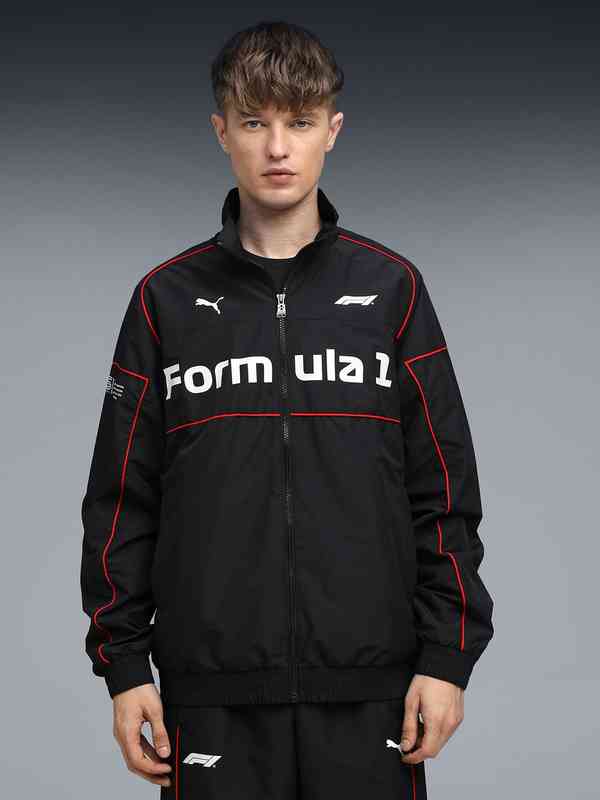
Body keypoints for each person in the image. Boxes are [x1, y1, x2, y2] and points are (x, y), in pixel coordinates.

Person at [80, 19, 494, 799]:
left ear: (331, 131)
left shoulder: (393, 292)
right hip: (211, 698)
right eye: (254, 122)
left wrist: (447, 657)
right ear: (221, 132)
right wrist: (125, 668)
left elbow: (443, 493)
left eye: (299, 122)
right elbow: (120, 500)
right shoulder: (164, 301)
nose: (277, 147)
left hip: (372, 693)